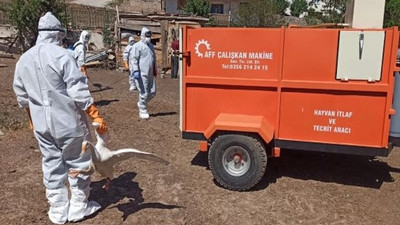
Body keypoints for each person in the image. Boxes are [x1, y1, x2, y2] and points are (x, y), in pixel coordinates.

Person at [12, 12, 107, 224]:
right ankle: (78, 206)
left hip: (41, 124)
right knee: (78, 160)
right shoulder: (63, 56)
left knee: (51, 162)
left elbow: (22, 96)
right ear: (58, 33)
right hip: (68, 122)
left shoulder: (24, 60)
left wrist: (31, 119)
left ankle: (57, 209)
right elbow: (78, 90)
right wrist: (95, 114)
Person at [129, 27, 157, 119]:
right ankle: (143, 110)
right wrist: (136, 70)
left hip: (150, 73)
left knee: (153, 92)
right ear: (143, 35)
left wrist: (155, 69)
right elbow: (133, 59)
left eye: (149, 35)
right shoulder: (137, 46)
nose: (148, 37)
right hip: (141, 73)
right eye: (147, 35)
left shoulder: (151, 46)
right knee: (144, 92)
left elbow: (153, 58)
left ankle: (141, 102)